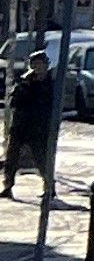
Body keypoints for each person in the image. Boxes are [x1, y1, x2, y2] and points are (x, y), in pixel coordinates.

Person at [3, 50, 54, 199]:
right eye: (34, 64)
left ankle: (49, 187)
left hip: (38, 127)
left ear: (46, 65)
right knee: (11, 158)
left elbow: (50, 104)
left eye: (39, 64)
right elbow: (14, 102)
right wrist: (24, 86)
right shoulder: (24, 81)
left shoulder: (50, 83)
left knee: (42, 159)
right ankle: (8, 185)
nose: (37, 67)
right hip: (20, 125)